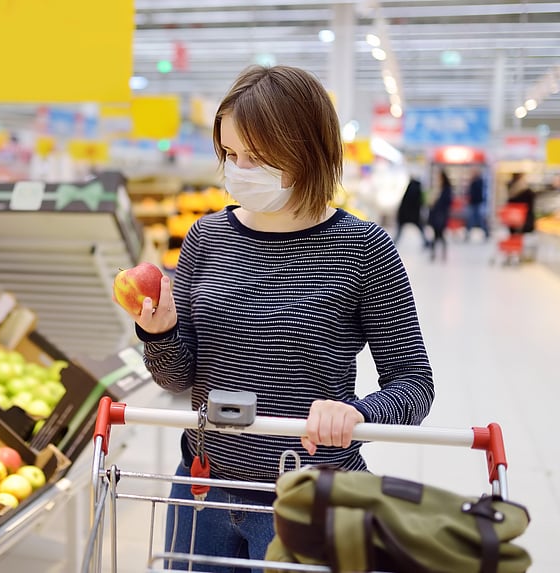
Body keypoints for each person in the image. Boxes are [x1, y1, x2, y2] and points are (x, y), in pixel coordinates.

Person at [113, 65, 434, 573]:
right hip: (204, 486)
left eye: (258, 159)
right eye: (231, 155)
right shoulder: (206, 238)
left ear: (309, 152)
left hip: (307, 495)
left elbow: (414, 383)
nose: (239, 171)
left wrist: (357, 415)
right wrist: (161, 333)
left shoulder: (363, 249)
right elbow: (178, 378)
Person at [392, 174, 429, 246]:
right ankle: (426, 242)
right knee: (420, 228)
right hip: (413, 214)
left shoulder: (411, 187)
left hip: (406, 214)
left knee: (399, 231)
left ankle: (393, 242)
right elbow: (420, 202)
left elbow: (406, 202)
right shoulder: (418, 188)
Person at [427, 170, 453, 261]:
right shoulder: (440, 188)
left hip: (440, 215)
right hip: (437, 214)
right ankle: (436, 254)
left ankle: (437, 254)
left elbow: (446, 202)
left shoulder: (446, 189)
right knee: (437, 235)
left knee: (439, 234)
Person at [465, 167, 489, 240]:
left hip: (476, 203)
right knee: (471, 219)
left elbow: (476, 193)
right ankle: (468, 233)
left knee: (478, 219)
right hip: (473, 203)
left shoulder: (478, 181)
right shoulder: (475, 181)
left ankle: (486, 231)